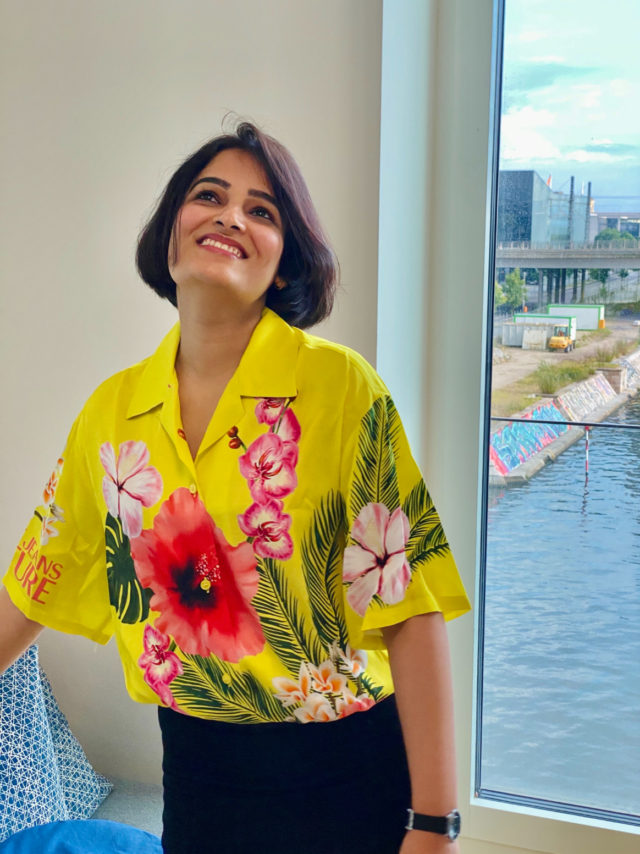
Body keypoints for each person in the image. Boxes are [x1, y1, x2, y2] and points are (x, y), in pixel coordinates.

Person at [0, 121, 470, 854]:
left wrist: (436, 826)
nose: (229, 216)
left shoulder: (340, 389)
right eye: (208, 196)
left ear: (285, 264)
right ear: (172, 235)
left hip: (349, 778)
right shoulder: (112, 414)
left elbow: (413, 610)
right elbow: (36, 579)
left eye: (262, 210)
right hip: (198, 777)